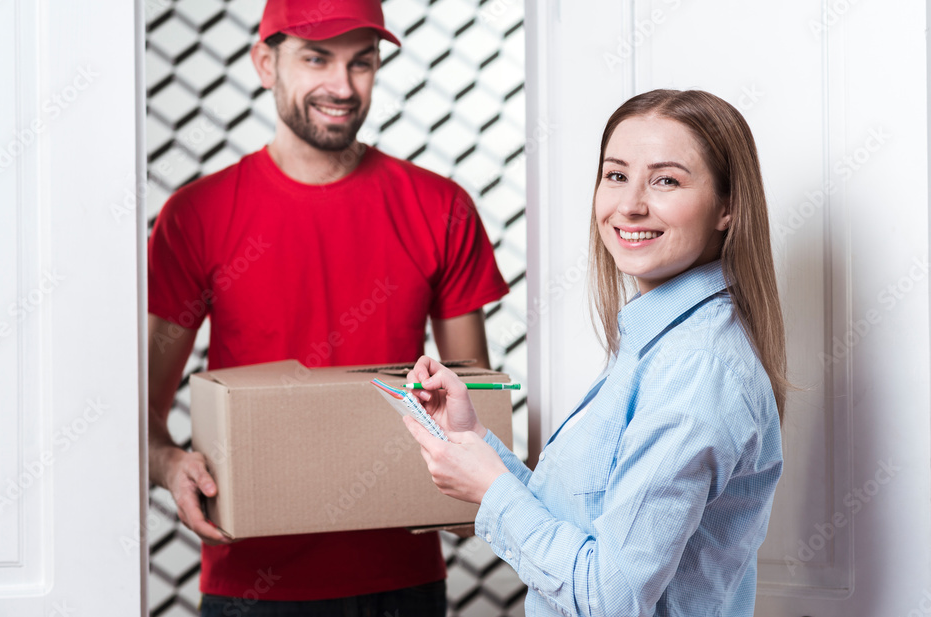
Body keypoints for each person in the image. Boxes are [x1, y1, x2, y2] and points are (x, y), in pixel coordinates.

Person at [146, 0, 510, 615]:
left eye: (360, 63)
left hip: (402, 582)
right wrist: (168, 464)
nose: (341, 87)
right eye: (317, 59)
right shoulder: (197, 215)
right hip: (249, 585)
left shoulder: (440, 208)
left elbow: (471, 400)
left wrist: (479, 485)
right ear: (266, 63)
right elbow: (142, 410)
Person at [402, 89, 787, 616]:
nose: (629, 204)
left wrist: (490, 489)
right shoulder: (659, 343)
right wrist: (475, 443)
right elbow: (581, 526)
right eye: (616, 175)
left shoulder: (697, 369)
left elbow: (610, 596)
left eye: (666, 180)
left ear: (727, 207)